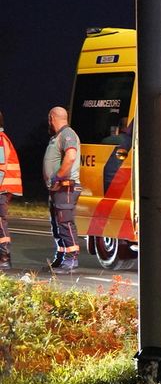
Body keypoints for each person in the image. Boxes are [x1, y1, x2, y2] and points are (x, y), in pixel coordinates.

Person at [43, 106, 81, 274]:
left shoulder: (67, 134)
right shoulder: (58, 136)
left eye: (49, 119)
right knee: (56, 224)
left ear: (52, 118)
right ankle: (61, 256)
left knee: (64, 222)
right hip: (57, 189)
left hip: (66, 187)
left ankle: (71, 259)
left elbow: (71, 156)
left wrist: (58, 177)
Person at [0, 110, 24, 271]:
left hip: (2, 187)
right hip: (5, 187)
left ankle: (4, 257)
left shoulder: (0, 140)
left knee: (0, 222)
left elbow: (1, 167)